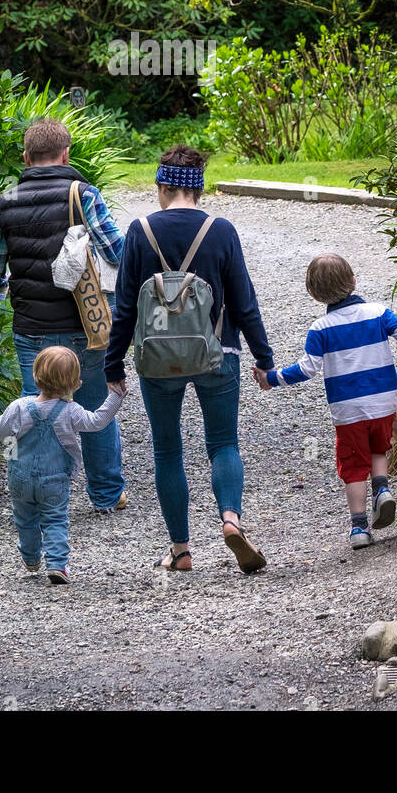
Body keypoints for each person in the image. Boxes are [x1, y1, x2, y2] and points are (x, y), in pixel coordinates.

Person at [105, 145, 274, 574]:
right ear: (197, 191)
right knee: (223, 443)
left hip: (157, 360)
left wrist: (113, 365)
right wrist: (263, 356)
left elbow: (125, 307)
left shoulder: (139, 231)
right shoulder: (221, 230)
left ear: (162, 187)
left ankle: (181, 551)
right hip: (219, 354)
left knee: (167, 450)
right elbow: (245, 302)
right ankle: (231, 519)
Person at [0, 117, 127, 513]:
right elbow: (118, 253)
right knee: (95, 406)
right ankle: (106, 495)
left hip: (32, 329)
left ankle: (38, 494)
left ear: (25, 157)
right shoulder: (84, 194)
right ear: (66, 153)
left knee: (34, 412)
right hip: (86, 324)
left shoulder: (5, 202)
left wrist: (9, 287)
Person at [252, 252, 397, 549]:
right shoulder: (378, 312)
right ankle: (382, 489)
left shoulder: (321, 328)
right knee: (379, 447)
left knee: (354, 463)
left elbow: (307, 369)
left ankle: (359, 528)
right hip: (383, 400)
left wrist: (272, 378)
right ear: (353, 281)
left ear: (313, 293)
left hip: (347, 409)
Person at [0, 347, 124, 585]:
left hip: (19, 476)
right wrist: (115, 397)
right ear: (75, 383)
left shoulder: (19, 407)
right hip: (54, 479)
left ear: (35, 376)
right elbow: (97, 422)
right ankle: (56, 564)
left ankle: (31, 557)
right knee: (55, 519)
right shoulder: (70, 411)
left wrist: (5, 442)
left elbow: (1, 432)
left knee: (25, 519)